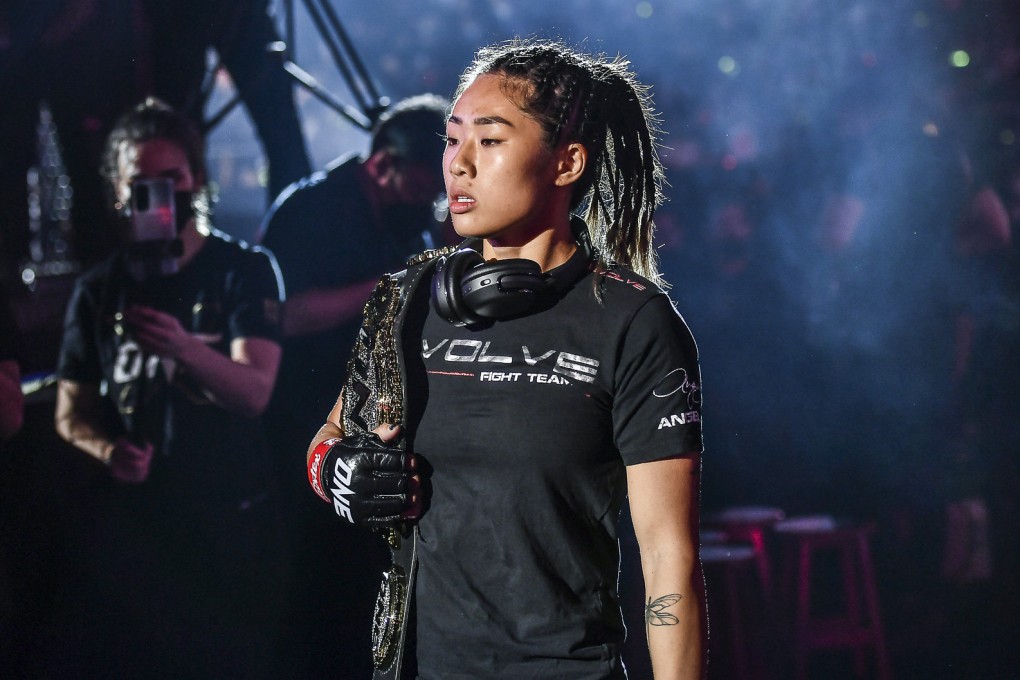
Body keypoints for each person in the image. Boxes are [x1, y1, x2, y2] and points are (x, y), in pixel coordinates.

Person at [306, 38, 707, 680]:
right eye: (451, 139)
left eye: (489, 141)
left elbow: (669, 559)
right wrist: (340, 472)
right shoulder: (408, 302)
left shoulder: (633, 322)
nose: (458, 165)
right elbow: (328, 438)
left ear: (567, 162)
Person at [52, 97, 287, 679]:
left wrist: (184, 348)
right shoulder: (98, 290)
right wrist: (108, 449)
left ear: (197, 180)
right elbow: (69, 410)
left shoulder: (244, 270)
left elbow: (255, 391)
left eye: (172, 179)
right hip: (137, 532)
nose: (158, 195)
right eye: (141, 183)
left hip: (227, 522)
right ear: (117, 190)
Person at [257, 92, 450, 679]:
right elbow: (279, 314)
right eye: (418, 186)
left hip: (379, 436)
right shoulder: (311, 209)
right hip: (304, 428)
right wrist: (384, 289)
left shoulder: (408, 224)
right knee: (315, 591)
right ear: (381, 164)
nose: (425, 201)